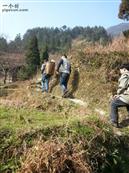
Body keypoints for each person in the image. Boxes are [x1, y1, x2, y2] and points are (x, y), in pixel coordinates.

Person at [110, 64, 129, 128]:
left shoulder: (125, 75)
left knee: (113, 103)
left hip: (128, 97)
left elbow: (122, 86)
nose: (120, 71)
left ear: (124, 69)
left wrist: (118, 94)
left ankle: (114, 122)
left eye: (120, 70)